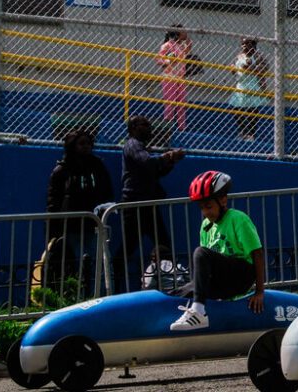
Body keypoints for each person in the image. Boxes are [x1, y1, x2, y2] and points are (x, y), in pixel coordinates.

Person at [171, 171, 265, 331]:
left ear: (223, 200)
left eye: (209, 206)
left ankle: (199, 312)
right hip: (223, 280)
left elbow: (258, 254)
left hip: (241, 276)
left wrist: (259, 292)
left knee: (200, 253)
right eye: (202, 208)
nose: (205, 212)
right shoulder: (205, 226)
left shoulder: (238, 219)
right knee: (182, 291)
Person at [116, 115, 185, 293]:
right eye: (143, 125)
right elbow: (146, 162)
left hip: (148, 204)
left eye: (149, 125)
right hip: (135, 205)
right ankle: (114, 286)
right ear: (133, 128)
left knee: (164, 245)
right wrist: (168, 156)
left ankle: (171, 285)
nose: (148, 128)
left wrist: (171, 161)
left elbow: (154, 172)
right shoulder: (132, 144)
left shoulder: (143, 147)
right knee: (127, 249)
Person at [45, 129, 113, 293]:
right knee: (73, 264)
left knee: (100, 262)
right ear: (72, 146)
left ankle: (100, 295)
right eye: (81, 144)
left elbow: (107, 190)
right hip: (71, 226)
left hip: (94, 223)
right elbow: (53, 200)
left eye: (89, 143)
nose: (86, 147)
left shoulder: (97, 166)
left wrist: (104, 210)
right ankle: (75, 296)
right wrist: (53, 229)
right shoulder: (62, 169)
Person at [229, 37, 270, 141]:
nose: (244, 46)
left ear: (253, 45)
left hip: (253, 84)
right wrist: (232, 68)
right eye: (242, 44)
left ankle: (251, 134)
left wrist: (252, 68)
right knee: (236, 109)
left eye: (247, 44)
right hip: (241, 85)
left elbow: (265, 67)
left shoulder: (257, 56)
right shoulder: (239, 56)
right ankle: (243, 131)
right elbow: (234, 65)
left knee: (251, 110)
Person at [157, 24, 192, 131]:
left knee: (181, 104)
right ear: (177, 33)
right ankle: (168, 127)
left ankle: (182, 127)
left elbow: (188, 47)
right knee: (170, 103)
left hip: (180, 78)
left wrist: (186, 40)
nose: (185, 33)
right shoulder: (167, 45)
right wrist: (169, 61)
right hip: (169, 77)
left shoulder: (181, 46)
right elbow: (159, 59)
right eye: (183, 31)